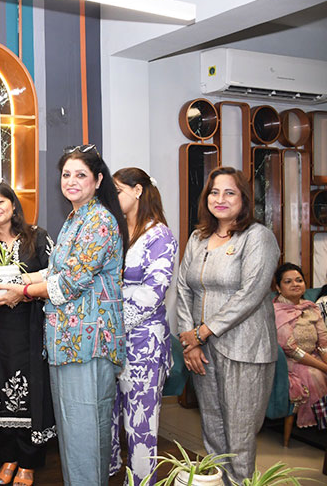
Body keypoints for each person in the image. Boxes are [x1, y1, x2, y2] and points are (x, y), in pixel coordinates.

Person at [0, 144, 128, 486]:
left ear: (98, 180)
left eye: (80, 175)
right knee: (74, 436)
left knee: (85, 436)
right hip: (66, 343)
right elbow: (55, 271)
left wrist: (22, 292)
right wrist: (17, 279)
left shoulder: (99, 221)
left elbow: (70, 283)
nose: (71, 181)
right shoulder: (74, 219)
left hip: (89, 343)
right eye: (66, 174)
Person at [175, 166, 279, 482]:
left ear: (243, 198)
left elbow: (252, 293)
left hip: (246, 348)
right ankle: (219, 480)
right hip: (202, 350)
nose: (220, 199)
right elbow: (183, 288)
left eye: (229, 192)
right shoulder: (198, 238)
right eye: (214, 192)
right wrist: (189, 341)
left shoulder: (258, 237)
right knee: (212, 426)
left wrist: (203, 332)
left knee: (240, 432)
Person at [0, 180, 55, 486]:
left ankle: (29, 462)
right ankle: (7, 458)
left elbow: (55, 274)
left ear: (13, 204)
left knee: (31, 392)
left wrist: (23, 290)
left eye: (0, 202)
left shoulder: (37, 236)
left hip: (31, 327)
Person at [109, 168, 178, 485]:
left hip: (144, 344)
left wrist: (113, 323)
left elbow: (153, 293)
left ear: (137, 191)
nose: (113, 198)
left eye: (118, 191)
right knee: (109, 418)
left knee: (140, 425)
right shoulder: (117, 231)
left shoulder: (159, 236)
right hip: (111, 342)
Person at [272, 262, 327, 429]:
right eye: (288, 282)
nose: (295, 284)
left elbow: (323, 342)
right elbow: (291, 350)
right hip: (289, 363)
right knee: (316, 374)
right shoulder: (276, 311)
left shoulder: (311, 308)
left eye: (299, 280)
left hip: (314, 356)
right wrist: (324, 367)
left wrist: (326, 362)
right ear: (278, 288)